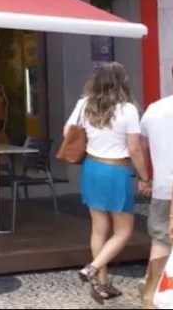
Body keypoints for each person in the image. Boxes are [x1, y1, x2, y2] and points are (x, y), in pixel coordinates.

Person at [69, 62, 149, 303]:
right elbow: (134, 149)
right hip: (116, 170)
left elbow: (67, 132)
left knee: (99, 228)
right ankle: (93, 268)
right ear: (122, 82)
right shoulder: (128, 109)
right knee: (124, 231)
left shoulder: (84, 104)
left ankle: (103, 284)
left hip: (91, 167)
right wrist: (144, 177)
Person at [138, 73, 173, 308]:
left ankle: (150, 296)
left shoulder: (154, 109)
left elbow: (140, 146)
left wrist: (145, 178)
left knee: (160, 241)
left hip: (163, 186)